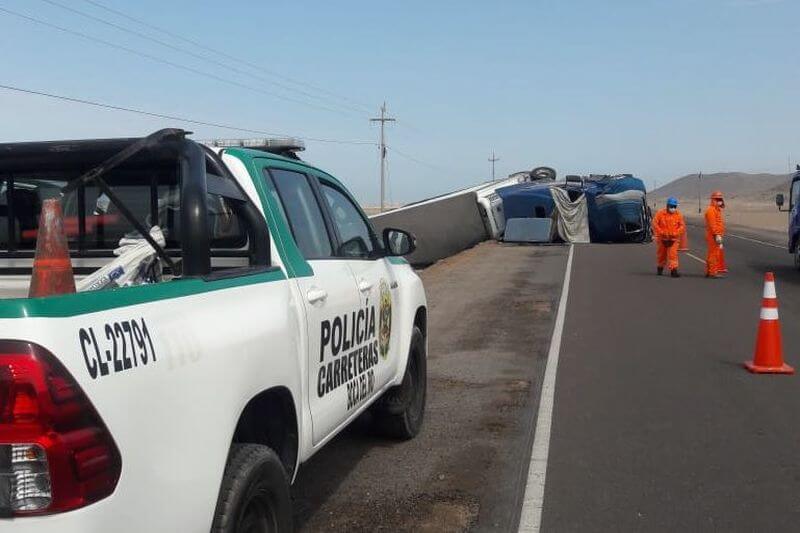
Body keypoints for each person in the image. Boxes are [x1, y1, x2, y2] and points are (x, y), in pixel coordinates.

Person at [652, 197, 685, 277]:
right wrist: (661, 232)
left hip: (673, 239)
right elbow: (654, 223)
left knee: (673, 255)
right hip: (662, 238)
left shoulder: (678, 215)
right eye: (671, 206)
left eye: (674, 207)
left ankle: (674, 271)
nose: (673, 208)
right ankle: (660, 268)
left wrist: (676, 233)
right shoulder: (660, 213)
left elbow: (682, 226)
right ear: (667, 206)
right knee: (661, 255)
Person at [705, 190, 726, 278]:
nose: (719, 201)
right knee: (713, 254)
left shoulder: (716, 210)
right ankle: (712, 272)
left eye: (720, 199)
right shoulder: (711, 210)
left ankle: (709, 271)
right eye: (717, 199)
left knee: (713, 254)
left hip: (716, 235)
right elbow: (712, 224)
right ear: (713, 200)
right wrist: (716, 235)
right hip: (713, 235)